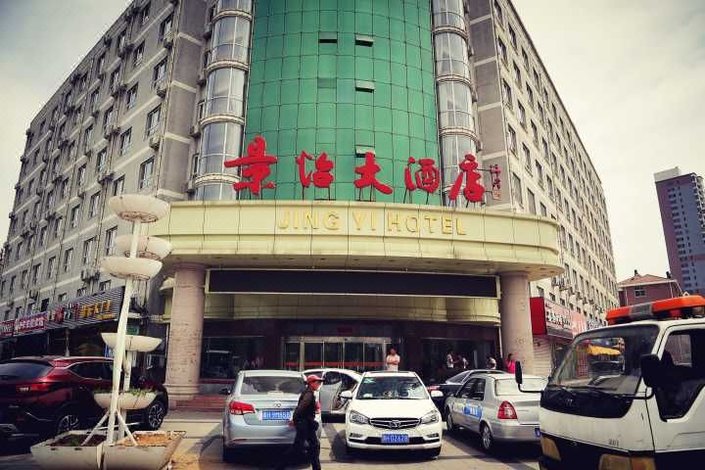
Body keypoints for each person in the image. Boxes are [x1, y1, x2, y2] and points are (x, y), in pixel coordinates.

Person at [276, 374, 323, 470]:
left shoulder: (309, 393)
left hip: (307, 423)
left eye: (319, 382)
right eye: (317, 382)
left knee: (314, 446)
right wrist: (294, 419)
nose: (319, 384)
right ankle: (280, 466)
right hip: (304, 424)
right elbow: (301, 407)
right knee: (297, 448)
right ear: (311, 383)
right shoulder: (308, 394)